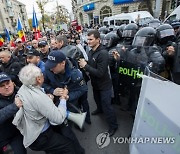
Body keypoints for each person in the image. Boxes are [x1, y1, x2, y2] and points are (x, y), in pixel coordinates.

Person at [13, 64, 84, 154]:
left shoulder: (25, 86)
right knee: (68, 146)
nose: (43, 75)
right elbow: (59, 118)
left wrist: (47, 98)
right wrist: (63, 98)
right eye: (41, 74)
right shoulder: (39, 98)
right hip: (41, 136)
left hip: (33, 134)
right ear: (38, 79)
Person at [78, 30, 118, 136]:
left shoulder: (103, 53)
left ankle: (113, 126)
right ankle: (99, 110)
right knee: (97, 100)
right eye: (88, 39)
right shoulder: (91, 51)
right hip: (95, 84)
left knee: (107, 106)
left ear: (98, 40)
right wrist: (85, 64)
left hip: (104, 85)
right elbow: (92, 66)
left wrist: (85, 66)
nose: (88, 42)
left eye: (91, 39)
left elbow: (100, 73)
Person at [0, 72, 26, 154]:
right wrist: (14, 106)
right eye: (2, 86)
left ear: (13, 83)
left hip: (15, 135)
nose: (7, 87)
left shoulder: (21, 92)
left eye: (8, 83)